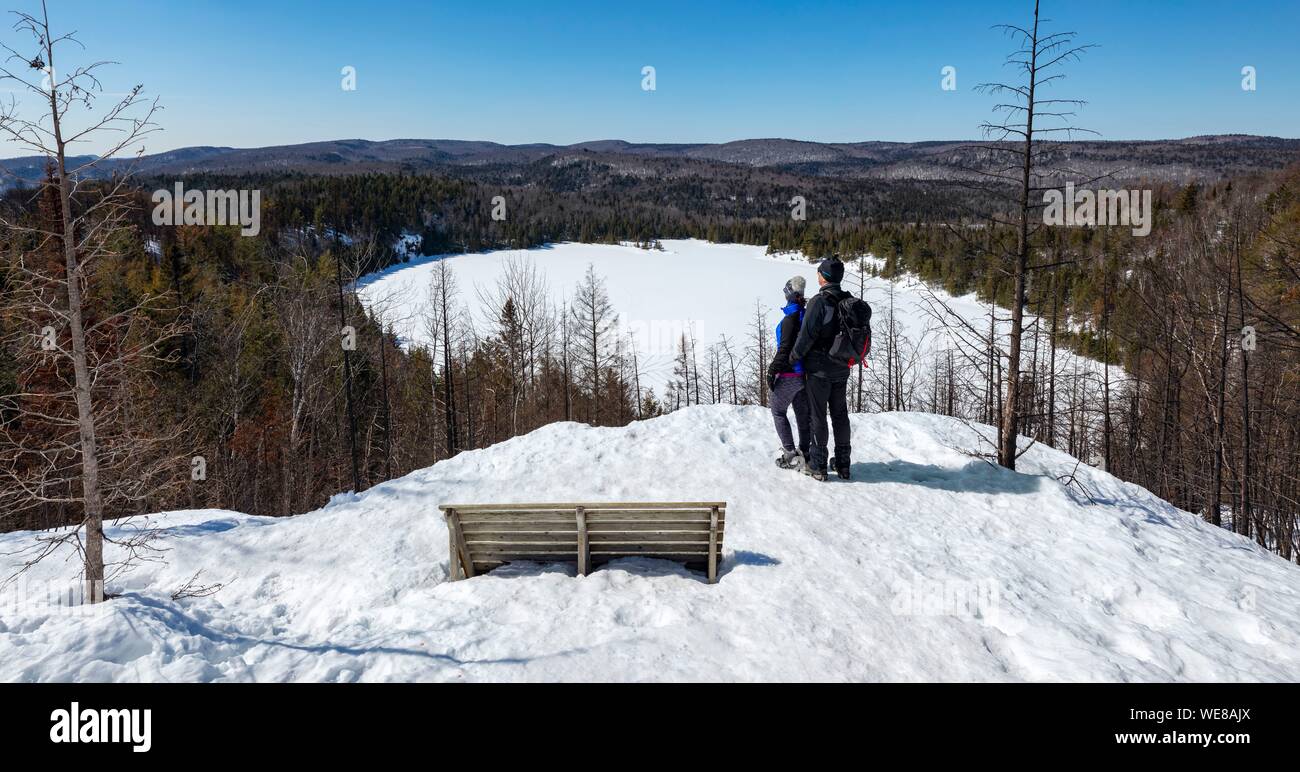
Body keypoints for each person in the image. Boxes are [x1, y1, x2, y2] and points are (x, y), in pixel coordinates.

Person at [791, 256, 852, 481]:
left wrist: (792, 357)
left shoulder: (819, 301)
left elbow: (806, 336)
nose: (817, 275)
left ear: (824, 277)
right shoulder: (848, 300)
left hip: (819, 370)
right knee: (840, 414)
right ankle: (843, 464)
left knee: (818, 416)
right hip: (842, 367)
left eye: (818, 272)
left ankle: (818, 465)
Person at [767, 276, 811, 470]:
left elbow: (784, 349)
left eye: (786, 290)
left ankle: (790, 454)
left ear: (790, 294)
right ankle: (805, 453)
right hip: (805, 375)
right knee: (803, 415)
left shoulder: (790, 320)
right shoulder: (806, 315)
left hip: (789, 373)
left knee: (778, 411)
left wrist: (772, 370)